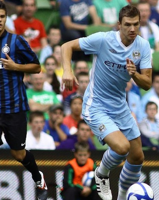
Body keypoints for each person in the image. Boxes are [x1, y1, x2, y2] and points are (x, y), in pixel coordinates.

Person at [61, 5, 152, 200]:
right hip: (96, 105)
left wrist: (134, 74)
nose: (132, 29)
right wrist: (68, 71)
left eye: (136, 24)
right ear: (119, 25)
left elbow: (147, 83)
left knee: (137, 157)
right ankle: (101, 173)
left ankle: (122, 197)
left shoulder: (143, 46)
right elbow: (66, 46)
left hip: (119, 105)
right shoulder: (103, 40)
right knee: (122, 148)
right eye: (127, 25)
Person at [0, 1, 47, 200]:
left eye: (2, 16)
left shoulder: (16, 41)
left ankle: (38, 177)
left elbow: (37, 67)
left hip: (15, 108)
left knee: (18, 154)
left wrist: (16, 67)